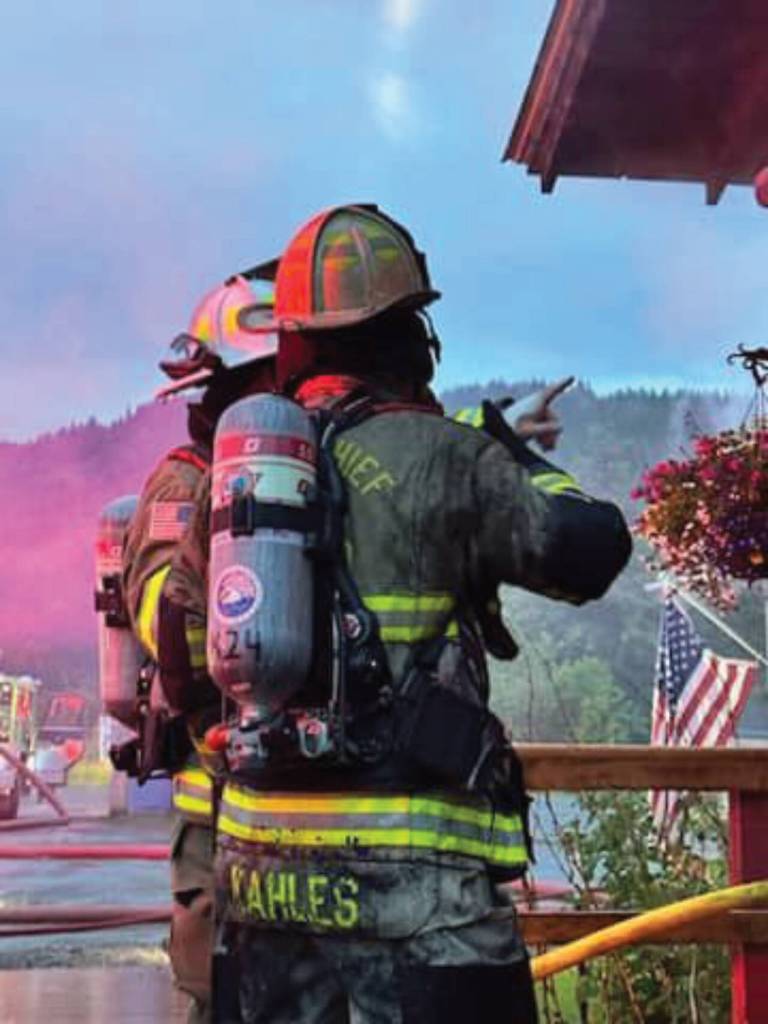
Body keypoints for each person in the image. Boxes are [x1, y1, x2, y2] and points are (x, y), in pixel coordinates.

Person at [162, 204, 632, 1024]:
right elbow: (587, 551)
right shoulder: (450, 458)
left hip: (263, 890)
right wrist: (515, 452)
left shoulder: (231, 480)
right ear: (411, 335)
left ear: (296, 342)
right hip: (422, 905)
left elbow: (179, 656)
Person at [121, 272, 277, 1024]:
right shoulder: (185, 486)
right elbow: (159, 616)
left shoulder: (309, 468)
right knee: (223, 991)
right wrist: (218, 534)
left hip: (301, 796)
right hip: (211, 791)